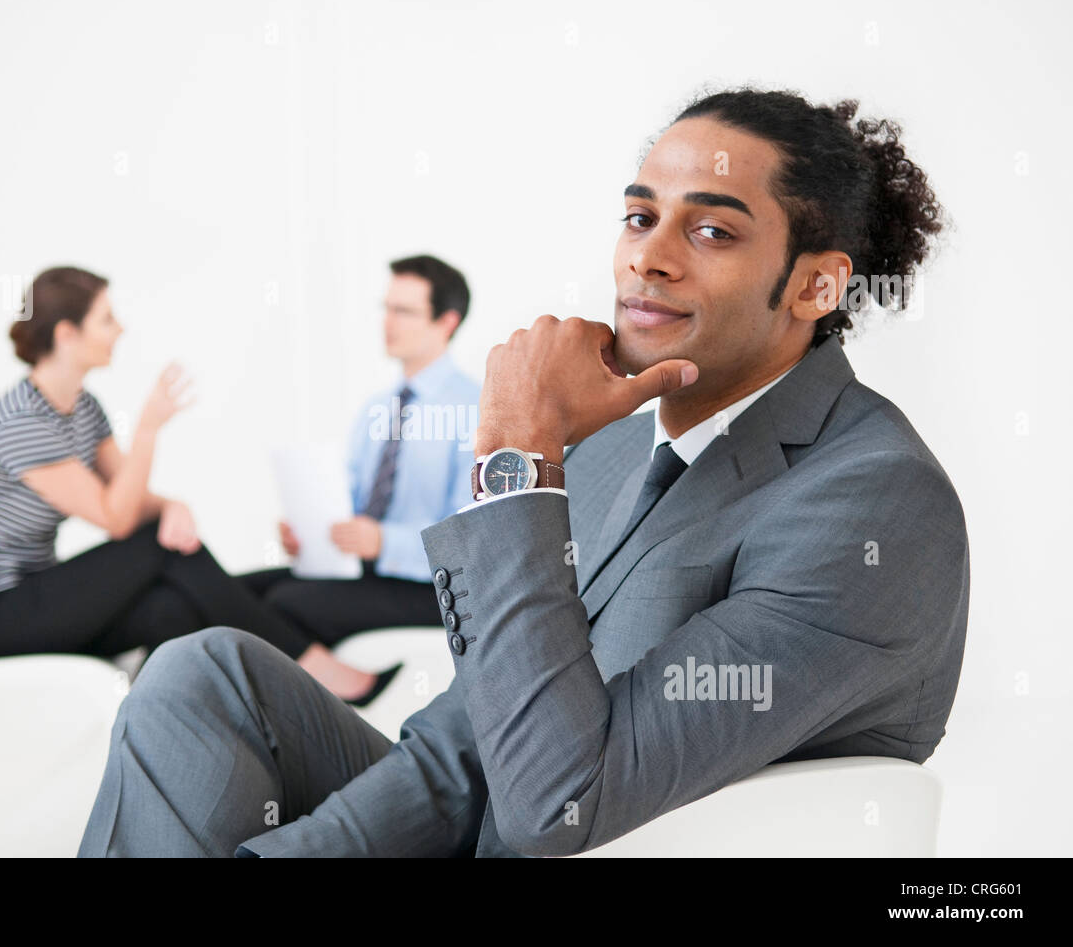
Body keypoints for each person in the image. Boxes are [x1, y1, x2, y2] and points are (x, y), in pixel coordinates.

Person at [78, 87, 970, 858]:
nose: (646, 256)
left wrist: (518, 449)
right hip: (493, 821)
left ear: (816, 287)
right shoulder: (619, 440)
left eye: (710, 229)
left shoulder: (875, 504)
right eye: (638, 215)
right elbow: (466, 743)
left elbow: (556, 803)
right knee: (202, 675)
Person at [0, 267, 338, 683]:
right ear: (66, 335)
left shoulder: (83, 408)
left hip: (40, 593)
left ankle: (147, 725)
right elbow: (118, 520)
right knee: (158, 545)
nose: (120, 329)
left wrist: (171, 506)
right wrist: (148, 428)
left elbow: (127, 498)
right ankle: (307, 666)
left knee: (171, 608)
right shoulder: (22, 423)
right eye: (107, 319)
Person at [237, 255, 481, 705]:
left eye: (404, 311)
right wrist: (310, 532)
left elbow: (469, 538)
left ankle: (331, 698)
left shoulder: (475, 408)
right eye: (386, 308)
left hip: (430, 586)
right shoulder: (379, 405)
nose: (388, 323)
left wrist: (382, 542)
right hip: (364, 568)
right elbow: (348, 497)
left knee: (286, 603)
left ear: (447, 321)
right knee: (239, 591)